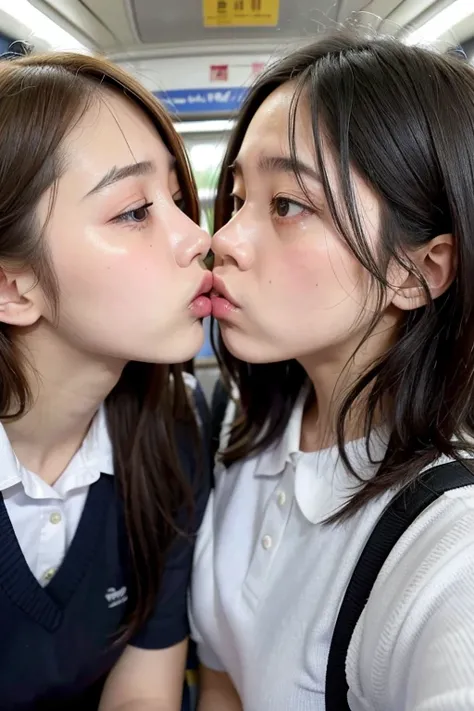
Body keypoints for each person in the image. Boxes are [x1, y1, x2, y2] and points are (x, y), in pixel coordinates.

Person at [190, 30, 474, 711]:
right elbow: (224, 674)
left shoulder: (448, 546)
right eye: (235, 198)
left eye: (288, 204)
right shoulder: (245, 414)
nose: (221, 238)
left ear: (417, 270)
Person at [0, 50, 213, 710]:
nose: (198, 239)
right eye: (133, 211)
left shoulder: (174, 426)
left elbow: (141, 694)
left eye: (177, 200)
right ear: (12, 285)